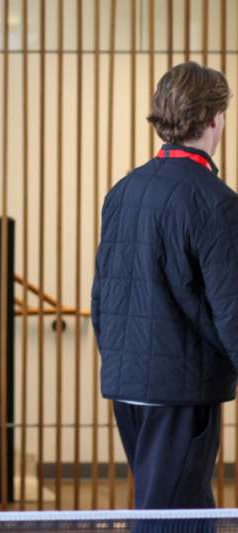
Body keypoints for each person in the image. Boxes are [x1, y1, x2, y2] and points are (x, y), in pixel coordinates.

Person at [92, 61, 236, 509]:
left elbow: (102, 297)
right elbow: (232, 310)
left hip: (127, 383)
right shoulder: (215, 202)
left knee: (168, 505)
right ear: (215, 119)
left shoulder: (122, 191)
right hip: (181, 387)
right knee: (174, 515)